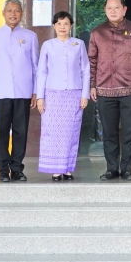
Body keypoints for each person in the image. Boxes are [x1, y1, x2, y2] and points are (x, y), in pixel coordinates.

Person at [88, 0, 131, 181]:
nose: (113, 11)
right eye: (109, 8)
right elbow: (91, 61)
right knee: (109, 132)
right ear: (105, 10)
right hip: (104, 89)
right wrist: (92, 85)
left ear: (124, 9)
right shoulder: (97, 33)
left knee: (130, 132)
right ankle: (112, 168)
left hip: (130, 88)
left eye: (116, 8)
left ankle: (127, 168)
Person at [0, 0, 39, 183]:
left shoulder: (30, 36)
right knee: (1, 131)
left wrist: (35, 91)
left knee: (21, 131)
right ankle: (2, 168)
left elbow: (35, 67)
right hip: (1, 92)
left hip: (24, 91)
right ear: (3, 13)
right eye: (9, 10)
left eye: (16, 10)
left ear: (22, 13)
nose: (13, 13)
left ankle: (17, 168)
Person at [36, 11, 90, 181]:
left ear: (71, 26)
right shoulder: (48, 45)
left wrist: (85, 94)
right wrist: (40, 97)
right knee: (52, 132)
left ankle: (67, 168)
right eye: (58, 24)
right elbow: (41, 72)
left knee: (70, 132)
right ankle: (55, 169)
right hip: (52, 94)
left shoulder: (78, 44)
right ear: (54, 26)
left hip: (74, 94)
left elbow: (86, 70)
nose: (62, 27)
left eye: (65, 23)